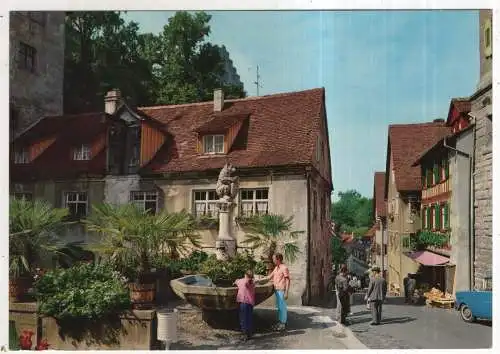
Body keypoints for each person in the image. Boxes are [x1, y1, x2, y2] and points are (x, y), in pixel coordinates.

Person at [260, 253, 290, 331]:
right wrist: (258, 281)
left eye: (274, 259)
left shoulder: (284, 268)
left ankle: (283, 323)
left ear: (278, 259)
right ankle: (280, 322)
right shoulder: (276, 268)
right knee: (279, 307)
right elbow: (269, 277)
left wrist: (286, 292)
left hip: (281, 290)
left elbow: (287, 280)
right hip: (277, 289)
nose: (273, 260)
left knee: (282, 307)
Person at [234, 270, 256, 340]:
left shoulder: (242, 281)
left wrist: (235, 281)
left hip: (243, 302)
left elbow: (236, 281)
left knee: (243, 318)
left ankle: (245, 334)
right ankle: (249, 334)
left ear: (245, 275)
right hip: (250, 303)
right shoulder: (253, 282)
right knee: (249, 318)